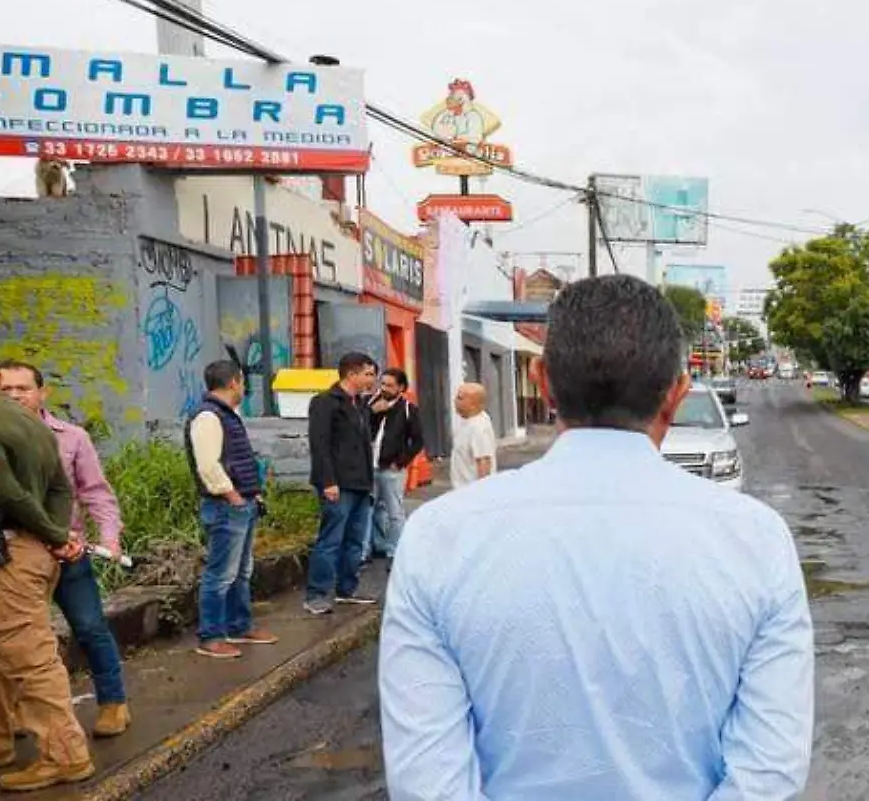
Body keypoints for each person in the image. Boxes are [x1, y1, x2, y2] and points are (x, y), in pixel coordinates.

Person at [380, 275, 814, 799]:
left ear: (542, 382)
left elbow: (428, 783)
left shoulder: (438, 539)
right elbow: (768, 775)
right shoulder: (756, 542)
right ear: (676, 395)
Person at [0, 346, 92, 791]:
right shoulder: (27, 419)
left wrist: (54, 535)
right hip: (29, 552)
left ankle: (64, 755)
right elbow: (61, 485)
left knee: (26, 657)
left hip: (4, 558)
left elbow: (0, 489)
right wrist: (55, 535)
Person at [0, 362, 131, 735]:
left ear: (42, 393)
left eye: (22, 388)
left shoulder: (70, 438)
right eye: (5, 390)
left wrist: (109, 539)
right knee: (17, 638)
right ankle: (20, 714)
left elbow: (96, 493)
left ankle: (113, 703)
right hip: (12, 558)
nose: (14, 396)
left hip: (68, 553)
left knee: (89, 627)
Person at [186, 359, 279, 660]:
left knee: (241, 571)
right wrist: (233, 496)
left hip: (242, 503)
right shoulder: (209, 417)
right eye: (241, 381)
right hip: (227, 506)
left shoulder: (226, 415)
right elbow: (208, 465)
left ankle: (240, 625)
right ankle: (210, 636)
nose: (244, 387)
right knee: (220, 574)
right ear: (233, 383)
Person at [305, 352, 379, 616]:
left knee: (355, 540)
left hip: (360, 482)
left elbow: (364, 446)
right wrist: (328, 481)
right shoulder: (325, 402)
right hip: (337, 483)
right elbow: (320, 444)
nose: (372, 379)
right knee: (331, 539)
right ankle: (317, 593)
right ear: (352, 374)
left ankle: (348, 588)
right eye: (368, 374)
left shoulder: (360, 404)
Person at [368, 368, 425, 560]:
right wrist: (371, 412)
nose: (383, 388)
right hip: (369, 466)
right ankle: (378, 545)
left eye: (389, 385)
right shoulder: (371, 404)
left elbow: (417, 441)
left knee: (394, 512)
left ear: (400, 387)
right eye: (382, 383)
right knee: (373, 509)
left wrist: (401, 462)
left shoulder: (408, 409)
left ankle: (395, 550)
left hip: (392, 469)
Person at [449, 383, 498, 489]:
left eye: (460, 398)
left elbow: (484, 462)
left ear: (473, 403)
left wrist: (480, 492)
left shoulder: (479, 428)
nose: (455, 401)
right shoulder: (468, 420)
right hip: (461, 491)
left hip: (471, 493)